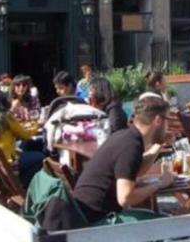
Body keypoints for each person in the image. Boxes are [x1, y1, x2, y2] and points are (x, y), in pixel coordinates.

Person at [70, 96, 176, 226]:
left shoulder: (125, 137)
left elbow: (137, 171)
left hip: (85, 215)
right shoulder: (131, 145)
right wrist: (159, 183)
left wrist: (158, 146)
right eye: (167, 121)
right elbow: (125, 198)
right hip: (96, 223)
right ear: (158, 120)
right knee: (169, 224)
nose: (168, 126)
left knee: (158, 217)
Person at [0, 89, 39, 185]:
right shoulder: (6, 117)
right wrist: (36, 124)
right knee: (41, 157)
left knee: (22, 150)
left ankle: (17, 184)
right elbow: (25, 135)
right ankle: (22, 186)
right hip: (6, 163)